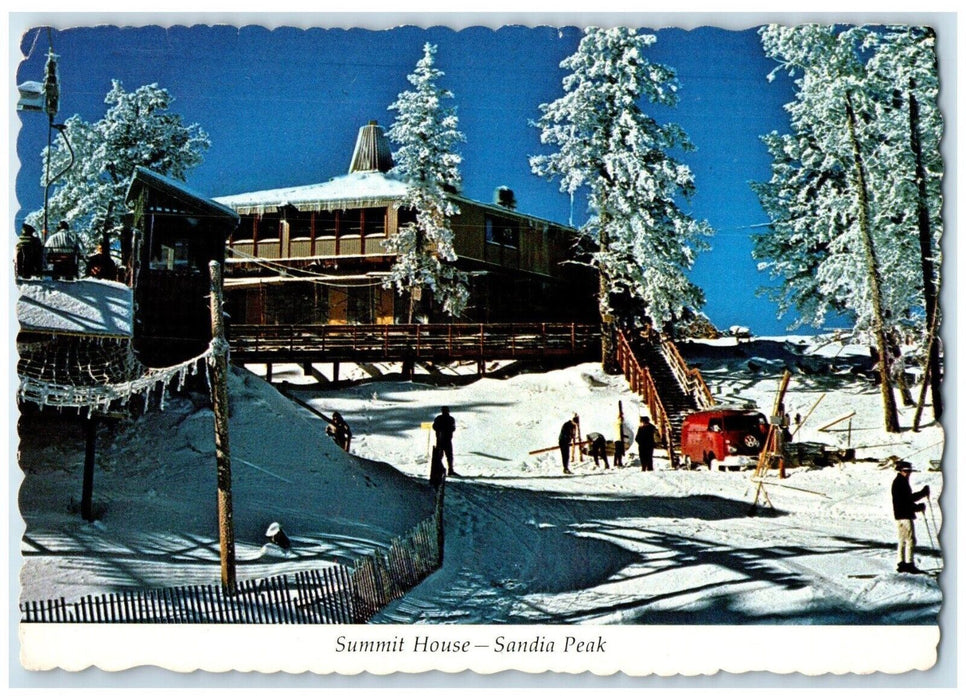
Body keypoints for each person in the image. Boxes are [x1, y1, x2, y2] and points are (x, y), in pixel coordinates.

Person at [891, 460, 930, 574]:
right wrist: (918, 506)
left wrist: (920, 497)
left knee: (902, 540)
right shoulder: (901, 483)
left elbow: (907, 499)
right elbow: (906, 501)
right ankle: (909, 564)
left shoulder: (900, 482)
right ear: (900, 471)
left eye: (909, 471)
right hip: (904, 515)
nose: (908, 473)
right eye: (906, 471)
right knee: (910, 540)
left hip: (900, 514)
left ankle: (902, 564)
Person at [432, 406, 456, 476]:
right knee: (449, 456)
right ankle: (450, 470)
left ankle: (438, 470)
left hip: (440, 439)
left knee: (440, 455)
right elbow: (453, 428)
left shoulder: (439, 418)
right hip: (447, 440)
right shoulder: (450, 419)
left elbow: (434, 427)